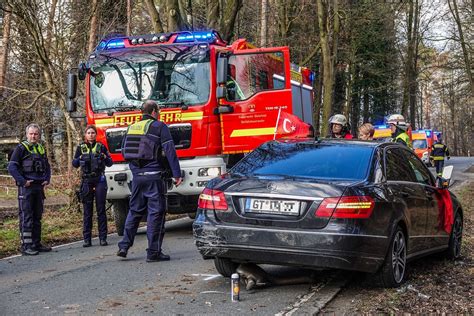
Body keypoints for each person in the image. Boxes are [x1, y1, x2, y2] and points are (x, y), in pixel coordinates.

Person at [117, 100, 183, 262]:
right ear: (154, 111)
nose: (159, 114)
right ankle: (153, 252)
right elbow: (169, 151)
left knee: (134, 211)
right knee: (156, 213)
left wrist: (136, 170)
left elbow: (124, 151)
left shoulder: (132, 128)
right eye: (158, 111)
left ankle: (124, 246)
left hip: (138, 177)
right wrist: (176, 173)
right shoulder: (160, 127)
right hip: (155, 176)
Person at [8, 124, 52, 255]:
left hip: (39, 188)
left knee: (37, 216)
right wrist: (23, 182)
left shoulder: (40, 148)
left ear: (39, 135)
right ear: (27, 134)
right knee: (26, 216)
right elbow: (12, 167)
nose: (33, 136)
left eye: (36, 134)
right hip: (26, 188)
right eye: (31, 134)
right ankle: (26, 246)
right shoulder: (21, 148)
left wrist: (47, 178)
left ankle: (36, 244)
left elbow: (47, 166)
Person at [72, 125, 113, 247]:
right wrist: (79, 158)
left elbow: (110, 163)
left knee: (101, 210)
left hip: (99, 180)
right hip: (86, 181)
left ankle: (103, 238)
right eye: (88, 133)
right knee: (87, 211)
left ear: (96, 134)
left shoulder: (101, 147)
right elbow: (74, 164)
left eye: (93, 133)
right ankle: (87, 239)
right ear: (85, 135)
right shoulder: (81, 147)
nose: (91, 135)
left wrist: (105, 157)